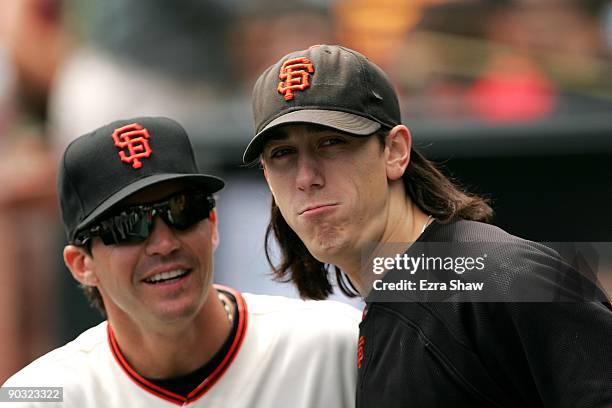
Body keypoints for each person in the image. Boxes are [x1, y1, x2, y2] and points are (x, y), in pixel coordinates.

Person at [243, 44, 612, 407]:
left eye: (331, 142)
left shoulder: (499, 275)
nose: (306, 177)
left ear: (395, 151)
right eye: (282, 154)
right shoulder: (392, 301)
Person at [2, 116, 361, 407]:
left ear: (213, 224)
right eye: (128, 226)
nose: (163, 243)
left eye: (182, 210)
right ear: (82, 265)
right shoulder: (40, 397)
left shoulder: (334, 345)